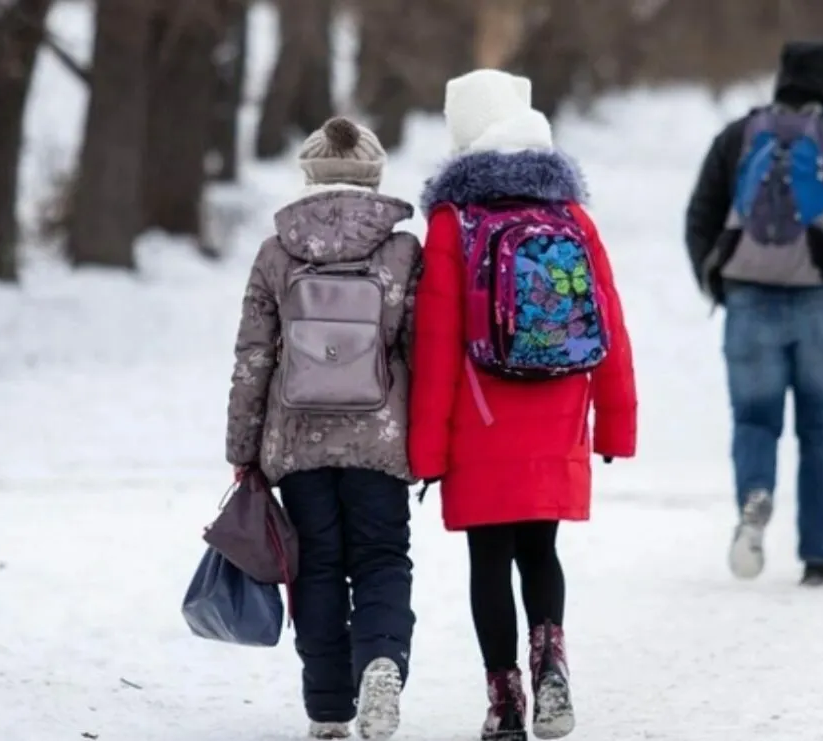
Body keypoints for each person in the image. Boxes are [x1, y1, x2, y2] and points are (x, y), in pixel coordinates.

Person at [409, 69, 638, 741]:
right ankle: (552, 668)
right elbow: (611, 326)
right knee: (541, 551)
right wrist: (616, 422)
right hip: (561, 408)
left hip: (482, 419)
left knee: (489, 560)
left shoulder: (455, 222)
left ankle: (504, 701)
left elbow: (437, 346)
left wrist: (426, 450)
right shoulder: (571, 216)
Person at [225, 116, 422, 741]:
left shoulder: (276, 251)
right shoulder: (401, 251)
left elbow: (254, 356)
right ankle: (383, 662)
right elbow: (423, 350)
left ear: (309, 176)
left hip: (297, 438)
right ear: (374, 176)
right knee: (383, 558)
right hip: (381, 440)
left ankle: (329, 710)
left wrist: (242, 449)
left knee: (315, 568)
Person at [685, 41, 823, 587]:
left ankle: (755, 498)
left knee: (754, 420)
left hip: (748, 297)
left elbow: (701, 212)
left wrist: (715, 278)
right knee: (820, 430)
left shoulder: (737, 136)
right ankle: (818, 552)